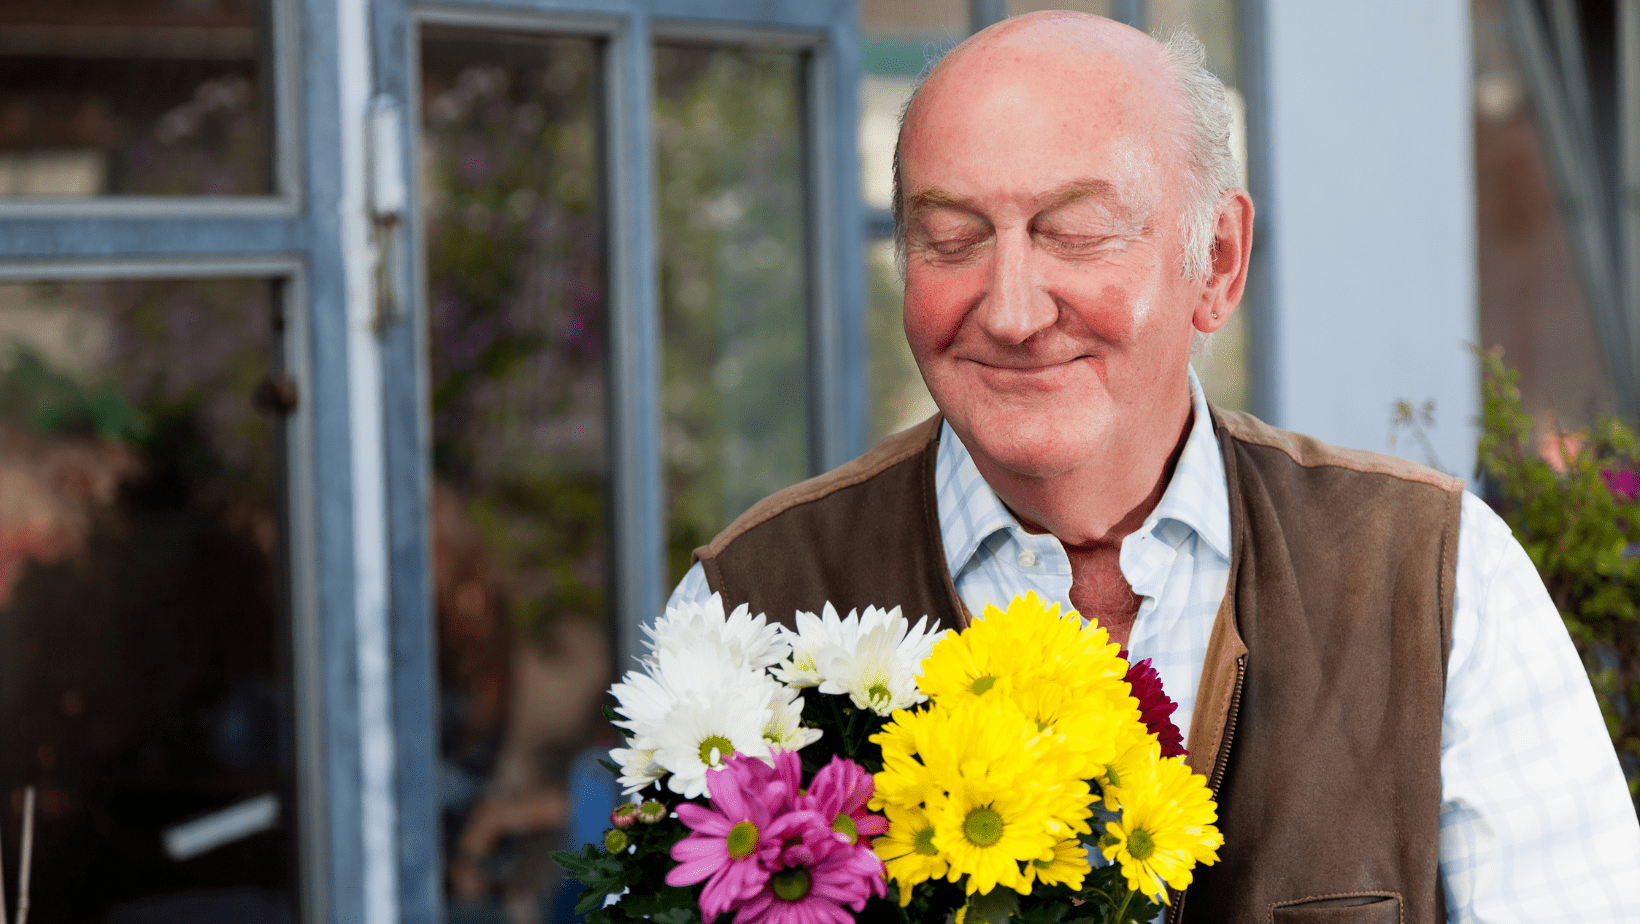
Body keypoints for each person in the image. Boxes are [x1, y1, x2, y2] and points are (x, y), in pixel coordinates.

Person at [665, 11, 1640, 922]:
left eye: (1074, 231)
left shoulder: (1436, 577)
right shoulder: (743, 606)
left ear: (1215, 260)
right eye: (950, 237)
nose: (1008, 310)